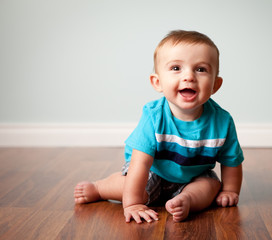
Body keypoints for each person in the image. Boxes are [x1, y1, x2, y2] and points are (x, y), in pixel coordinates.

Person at [74, 30, 244, 223]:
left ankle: (186, 199)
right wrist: (133, 203)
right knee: (136, 187)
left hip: (193, 176)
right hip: (151, 172)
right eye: (176, 68)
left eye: (201, 69)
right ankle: (100, 188)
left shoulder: (222, 121)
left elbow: (232, 161)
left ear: (215, 85)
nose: (189, 76)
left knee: (211, 185)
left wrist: (230, 190)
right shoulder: (153, 116)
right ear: (157, 82)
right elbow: (140, 164)